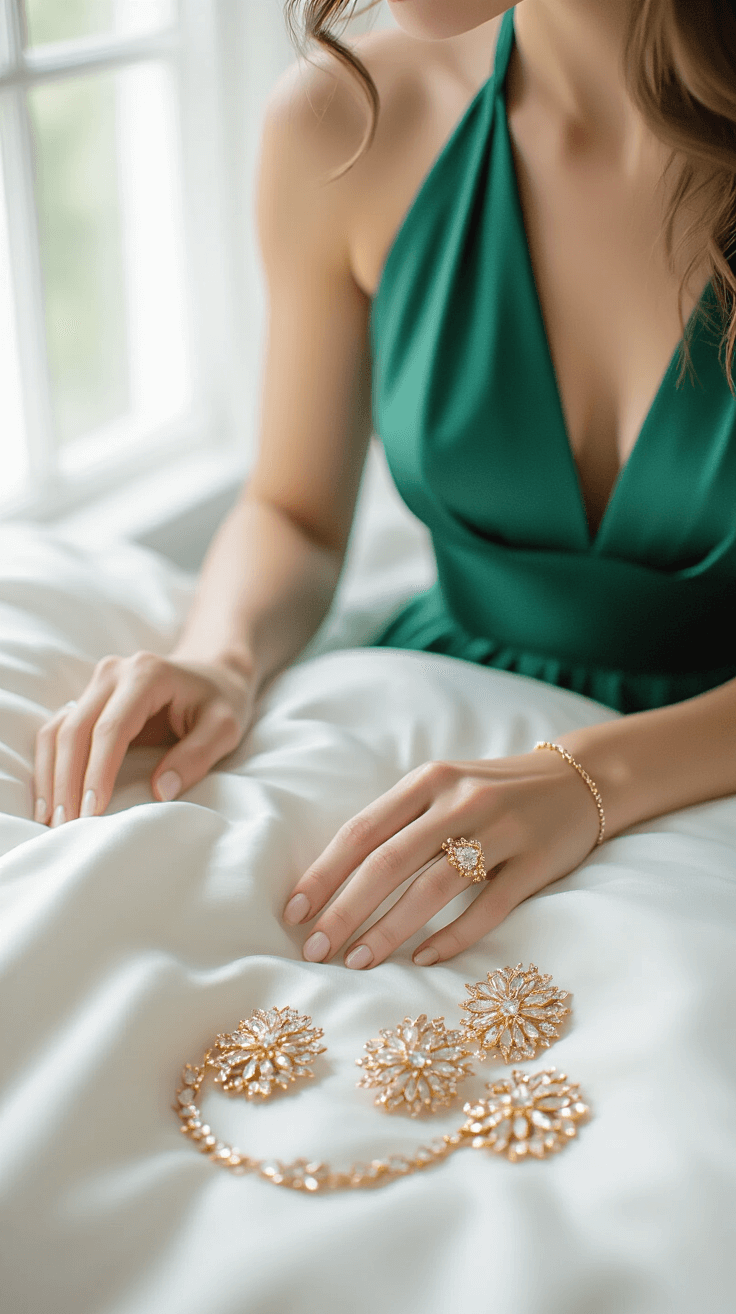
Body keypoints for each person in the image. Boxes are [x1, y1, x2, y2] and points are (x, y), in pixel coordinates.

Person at [32, 0, 736, 973]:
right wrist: (220, 656)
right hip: (435, 725)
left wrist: (585, 778)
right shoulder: (346, 120)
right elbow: (293, 511)